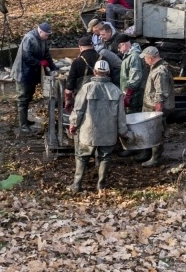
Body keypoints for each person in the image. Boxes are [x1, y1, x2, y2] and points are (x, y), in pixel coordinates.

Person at [67, 60, 128, 193]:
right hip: (108, 132)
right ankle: (101, 185)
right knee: (105, 157)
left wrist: (73, 124)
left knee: (82, 157)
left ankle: (77, 185)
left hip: (88, 131)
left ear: (94, 72)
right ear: (108, 72)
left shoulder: (87, 88)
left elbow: (78, 109)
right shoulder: (116, 91)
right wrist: (123, 131)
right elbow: (121, 115)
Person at [10, 22, 57, 133]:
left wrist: (53, 67)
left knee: (29, 96)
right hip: (22, 72)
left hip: (31, 73)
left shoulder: (43, 39)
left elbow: (47, 54)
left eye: (48, 35)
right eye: (46, 35)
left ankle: (25, 120)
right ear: (40, 31)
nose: (47, 37)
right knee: (23, 99)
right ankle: (23, 125)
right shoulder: (29, 38)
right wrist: (39, 63)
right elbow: (27, 57)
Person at [137, 46, 175, 167]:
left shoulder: (160, 71)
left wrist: (158, 111)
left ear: (150, 58)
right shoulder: (155, 67)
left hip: (156, 107)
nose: (144, 60)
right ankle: (147, 153)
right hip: (150, 106)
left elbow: (161, 92)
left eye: (145, 58)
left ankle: (155, 158)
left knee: (156, 132)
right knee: (149, 130)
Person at [64, 36, 99, 111]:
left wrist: (68, 100)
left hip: (82, 98)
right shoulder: (103, 59)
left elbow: (69, 86)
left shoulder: (77, 61)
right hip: (101, 97)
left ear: (80, 47)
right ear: (92, 46)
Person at [117, 34, 146, 114]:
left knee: (133, 116)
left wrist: (128, 94)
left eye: (119, 47)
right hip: (131, 94)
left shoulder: (134, 57)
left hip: (134, 96)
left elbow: (136, 77)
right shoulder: (129, 56)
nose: (118, 50)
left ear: (124, 44)